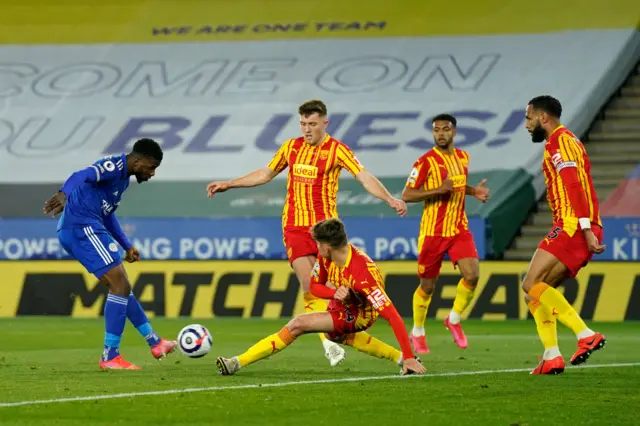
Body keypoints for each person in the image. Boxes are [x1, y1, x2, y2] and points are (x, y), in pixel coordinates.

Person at [206, 99, 407, 367]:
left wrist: (389, 199)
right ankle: (329, 344)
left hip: (325, 232)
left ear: (325, 122)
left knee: (334, 294)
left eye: (312, 124)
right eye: (302, 123)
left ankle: (352, 340)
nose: (306, 129)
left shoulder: (337, 150)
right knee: (307, 283)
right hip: (295, 228)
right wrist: (230, 184)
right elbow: (266, 173)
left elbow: (363, 176)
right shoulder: (291, 147)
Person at [216, 218, 426, 376]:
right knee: (334, 336)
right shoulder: (327, 258)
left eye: (318, 245)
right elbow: (314, 287)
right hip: (341, 300)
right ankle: (398, 358)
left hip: (360, 313)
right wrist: (334, 292)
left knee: (298, 324)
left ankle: (237, 362)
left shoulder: (363, 275)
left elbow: (393, 317)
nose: (316, 248)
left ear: (327, 246)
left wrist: (409, 356)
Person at [42, 138, 177, 370]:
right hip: (82, 228)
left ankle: (155, 342)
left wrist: (126, 245)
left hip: (87, 227)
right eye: (151, 167)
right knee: (120, 286)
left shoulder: (122, 181)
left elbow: (107, 214)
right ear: (137, 160)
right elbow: (80, 175)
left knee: (121, 287)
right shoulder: (113, 166)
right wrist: (63, 194)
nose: (152, 173)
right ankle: (110, 356)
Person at [522, 95, 606, 375]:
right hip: (580, 224)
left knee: (530, 283)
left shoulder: (559, 141)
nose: (526, 125)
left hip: (573, 224)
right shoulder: (567, 141)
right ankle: (552, 355)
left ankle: (585, 335)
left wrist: (584, 228)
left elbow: (573, 184)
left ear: (542, 117)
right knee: (536, 294)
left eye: (528, 118)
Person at [401, 113, 490, 354]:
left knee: (472, 275)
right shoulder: (425, 162)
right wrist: (440, 190)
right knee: (427, 287)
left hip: (459, 228)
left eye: (445, 129)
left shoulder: (463, 156)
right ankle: (418, 331)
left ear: (454, 132)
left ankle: (454, 319)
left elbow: (458, 185)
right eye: (436, 130)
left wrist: (473, 192)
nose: (441, 134)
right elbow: (407, 195)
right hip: (433, 232)